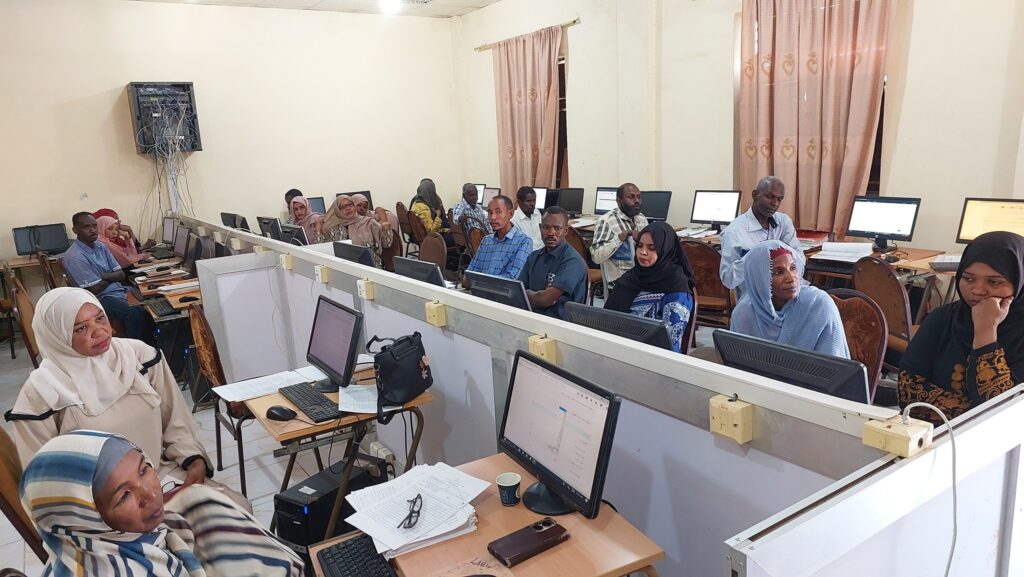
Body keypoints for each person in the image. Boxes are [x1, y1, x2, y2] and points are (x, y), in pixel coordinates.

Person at [5, 287, 246, 508]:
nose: (99, 332)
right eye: (81, 328)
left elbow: (175, 422)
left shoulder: (139, 356)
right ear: (57, 337)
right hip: (101, 505)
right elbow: (45, 482)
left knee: (238, 508)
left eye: (100, 318)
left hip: (158, 475)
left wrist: (193, 459)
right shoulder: (42, 393)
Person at [20, 431, 303, 577]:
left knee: (201, 499)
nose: (151, 494)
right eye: (124, 496)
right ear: (84, 518)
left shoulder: (118, 538)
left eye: (144, 469)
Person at [898, 231, 1024, 424]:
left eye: (994, 282)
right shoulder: (943, 318)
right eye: (968, 279)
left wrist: (985, 331)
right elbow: (908, 390)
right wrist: (975, 415)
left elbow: (1004, 415)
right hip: (933, 434)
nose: (978, 290)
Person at [729, 240, 849, 358]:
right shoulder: (743, 313)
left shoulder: (818, 305)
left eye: (793, 268)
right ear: (759, 278)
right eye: (778, 272)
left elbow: (833, 364)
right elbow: (736, 363)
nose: (791, 279)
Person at [62, 212, 154, 343]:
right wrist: (111, 276)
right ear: (75, 230)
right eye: (86, 227)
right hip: (99, 299)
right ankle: (137, 349)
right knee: (135, 312)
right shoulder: (75, 256)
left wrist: (103, 276)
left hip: (117, 290)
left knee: (152, 299)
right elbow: (94, 289)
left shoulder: (100, 246)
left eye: (94, 226)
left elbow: (121, 274)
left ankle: (155, 345)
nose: (93, 230)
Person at [605, 221, 695, 353]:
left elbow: (669, 342)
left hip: (651, 356)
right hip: (616, 348)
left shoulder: (676, 287)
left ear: (665, 249)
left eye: (652, 248)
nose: (643, 252)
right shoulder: (632, 277)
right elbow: (606, 318)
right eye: (640, 246)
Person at [719, 176, 803, 293]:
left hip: (788, 291)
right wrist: (756, 256)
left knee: (820, 299)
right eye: (769, 197)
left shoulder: (783, 222)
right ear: (755, 195)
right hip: (754, 297)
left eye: (779, 199)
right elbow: (728, 279)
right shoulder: (734, 232)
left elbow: (800, 258)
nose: (775, 203)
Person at [520, 206, 587, 319]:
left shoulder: (573, 261)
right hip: (530, 317)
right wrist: (537, 296)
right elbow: (517, 294)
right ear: (540, 228)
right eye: (546, 227)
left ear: (566, 231)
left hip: (560, 323)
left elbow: (544, 300)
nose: (551, 233)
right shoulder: (533, 257)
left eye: (557, 228)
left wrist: (531, 295)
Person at [591, 182, 649, 288]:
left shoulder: (641, 218)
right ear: (619, 200)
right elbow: (596, 257)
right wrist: (620, 238)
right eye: (631, 197)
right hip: (620, 276)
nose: (637, 201)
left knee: (672, 276)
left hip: (641, 270)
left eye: (639, 197)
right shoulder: (606, 221)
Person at [464, 195, 533, 283]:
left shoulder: (524, 242)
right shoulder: (486, 241)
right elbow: (467, 277)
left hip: (497, 292)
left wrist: (478, 282)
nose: (493, 217)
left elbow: (511, 281)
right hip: (480, 291)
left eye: (498, 212)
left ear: (511, 214)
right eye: (490, 212)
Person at [317, 194, 392, 268]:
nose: (348, 208)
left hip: (371, 268)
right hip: (342, 268)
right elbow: (321, 253)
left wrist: (385, 222)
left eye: (350, 205)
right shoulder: (331, 228)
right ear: (337, 210)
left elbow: (387, 244)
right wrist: (318, 231)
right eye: (343, 207)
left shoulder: (368, 223)